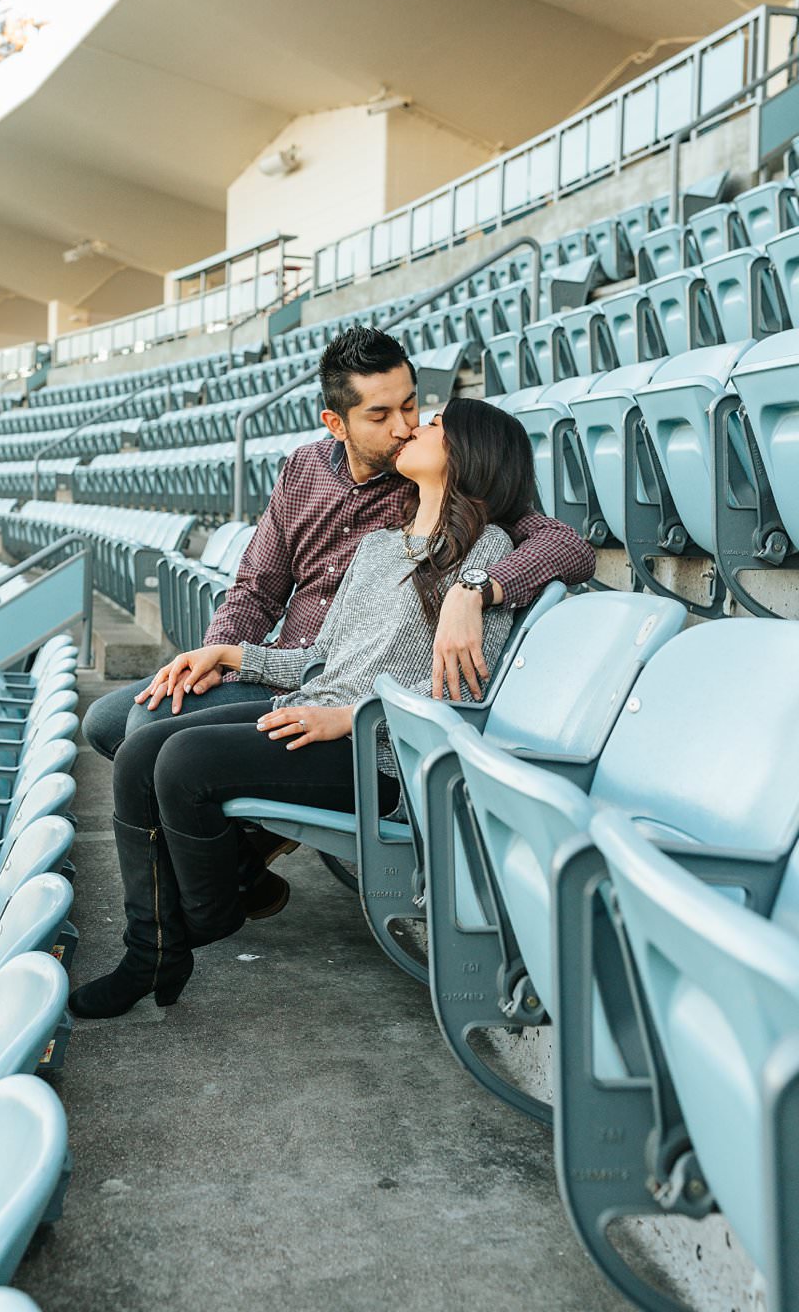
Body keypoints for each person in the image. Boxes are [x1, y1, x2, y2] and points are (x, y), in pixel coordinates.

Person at [69, 397, 535, 1020]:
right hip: (315, 712)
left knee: (182, 761)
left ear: (471, 453)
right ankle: (153, 949)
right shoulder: (380, 548)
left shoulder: (487, 557)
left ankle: (206, 917)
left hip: (380, 757)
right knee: (137, 753)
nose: (416, 426)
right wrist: (237, 656)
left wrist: (356, 717)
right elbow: (323, 661)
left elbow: (462, 700)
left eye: (436, 425)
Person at [80, 326, 593, 763]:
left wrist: (474, 589)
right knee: (107, 720)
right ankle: (247, 855)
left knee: (148, 733)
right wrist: (219, 657)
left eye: (410, 406)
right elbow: (257, 588)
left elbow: (567, 545)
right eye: (379, 415)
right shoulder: (304, 468)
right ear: (336, 424)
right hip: (281, 667)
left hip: (351, 685)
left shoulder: (437, 480)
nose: (402, 427)